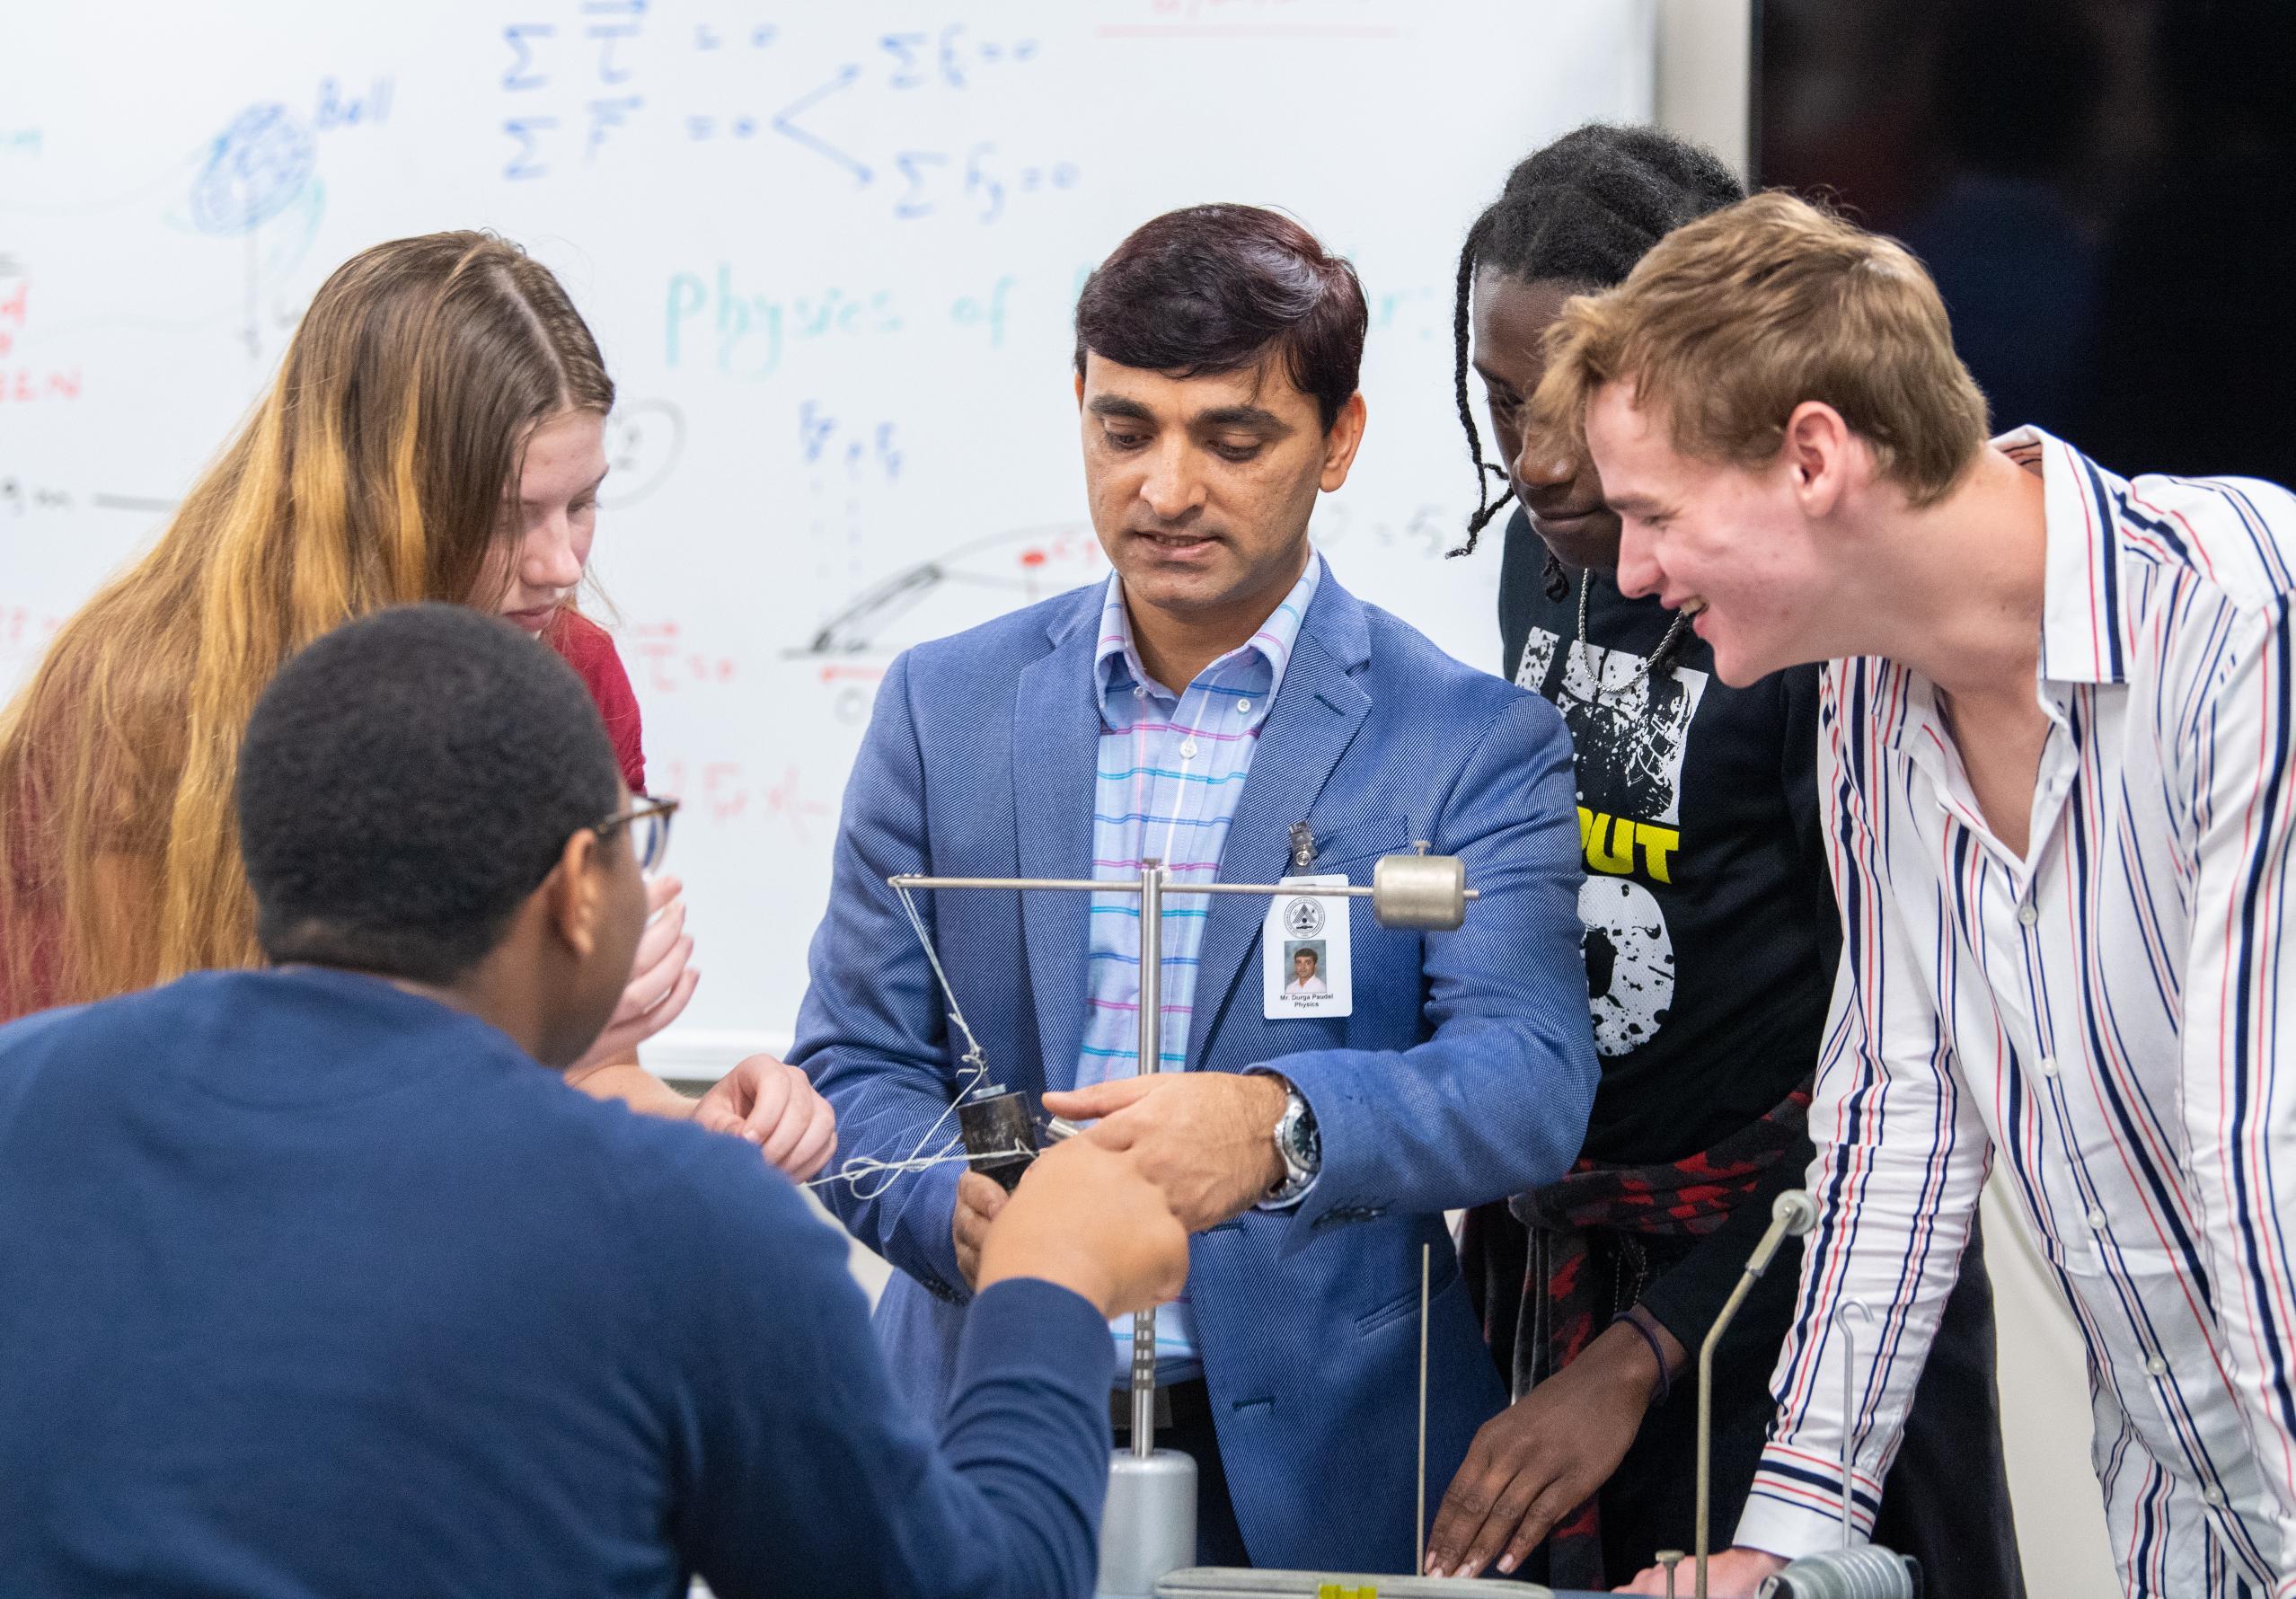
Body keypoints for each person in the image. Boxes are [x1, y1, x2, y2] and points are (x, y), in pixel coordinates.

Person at [0, 603, 1189, 1599]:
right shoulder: (683, 1222)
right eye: (635, 836)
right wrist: (1048, 1282)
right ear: (578, 889)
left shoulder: (26, 1095)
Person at [791, 204, 1599, 1572]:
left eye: (1233, 440)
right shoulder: (944, 707)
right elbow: (853, 1062)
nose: (1167, 491)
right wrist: (952, 1213)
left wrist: (1278, 1126)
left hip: (1324, 1465)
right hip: (985, 1426)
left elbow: (1529, 1078)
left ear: (1338, 441)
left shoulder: (1470, 742)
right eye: (1126, 432)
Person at [1532, 190, 2296, 1598]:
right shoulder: (1867, 706)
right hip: (2184, 1509)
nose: (1630, 569)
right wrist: (1783, 1545)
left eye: (1654, 513)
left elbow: (2259, 1147)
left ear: (1813, 456)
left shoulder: (2239, 616)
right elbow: (1901, 1119)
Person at [1422, 128, 2023, 1595]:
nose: (1539, 462)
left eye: (1578, 409)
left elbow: (1896, 1070)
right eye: (1503, 405)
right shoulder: (1543, 556)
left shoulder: (1804, 618)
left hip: (1794, 1284)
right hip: (1573, 1262)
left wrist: (1649, 1348)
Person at [0, 230, 824, 1168]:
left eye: (582, 504)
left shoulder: (568, 675)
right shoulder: (134, 705)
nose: (561, 565)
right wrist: (521, 1048)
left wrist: (702, 1132)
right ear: (370, 498)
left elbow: (600, 1074)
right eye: (508, 517)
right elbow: (117, 1111)